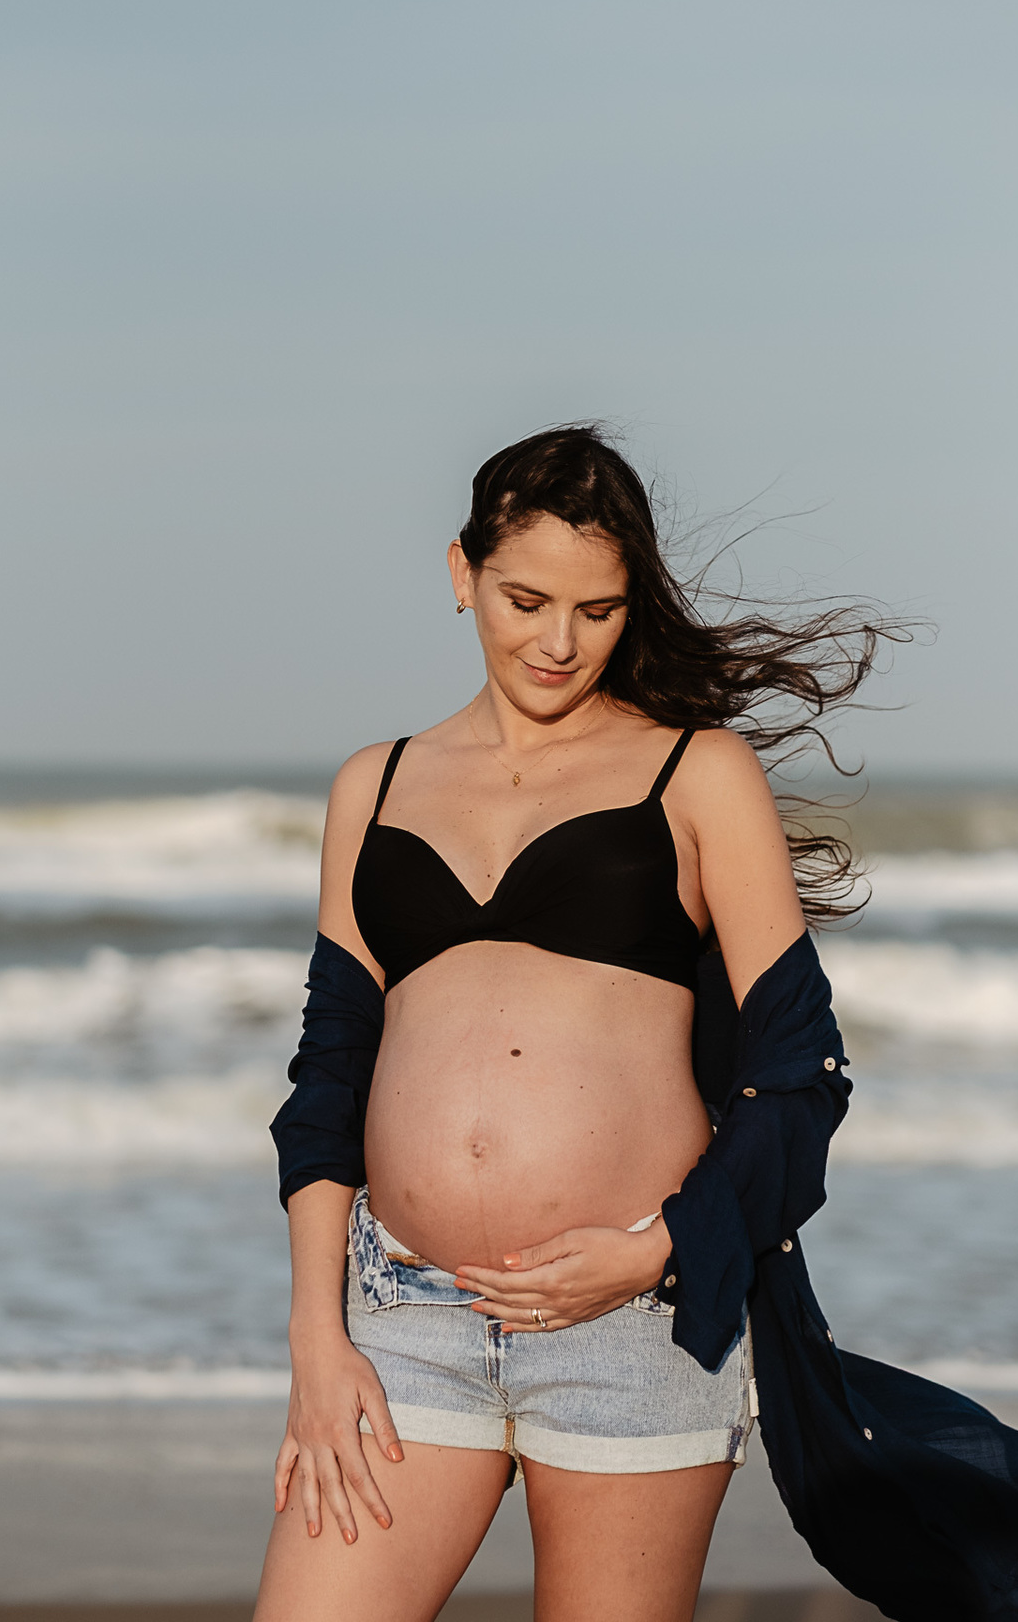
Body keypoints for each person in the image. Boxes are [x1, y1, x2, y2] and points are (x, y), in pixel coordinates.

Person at [255, 424, 886, 1622]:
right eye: (524, 598)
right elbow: (328, 1078)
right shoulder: (374, 784)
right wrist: (315, 1337)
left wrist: (662, 1247)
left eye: (595, 610)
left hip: (630, 1329)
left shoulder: (694, 774)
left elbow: (804, 1072)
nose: (557, 642)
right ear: (461, 575)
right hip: (403, 1317)